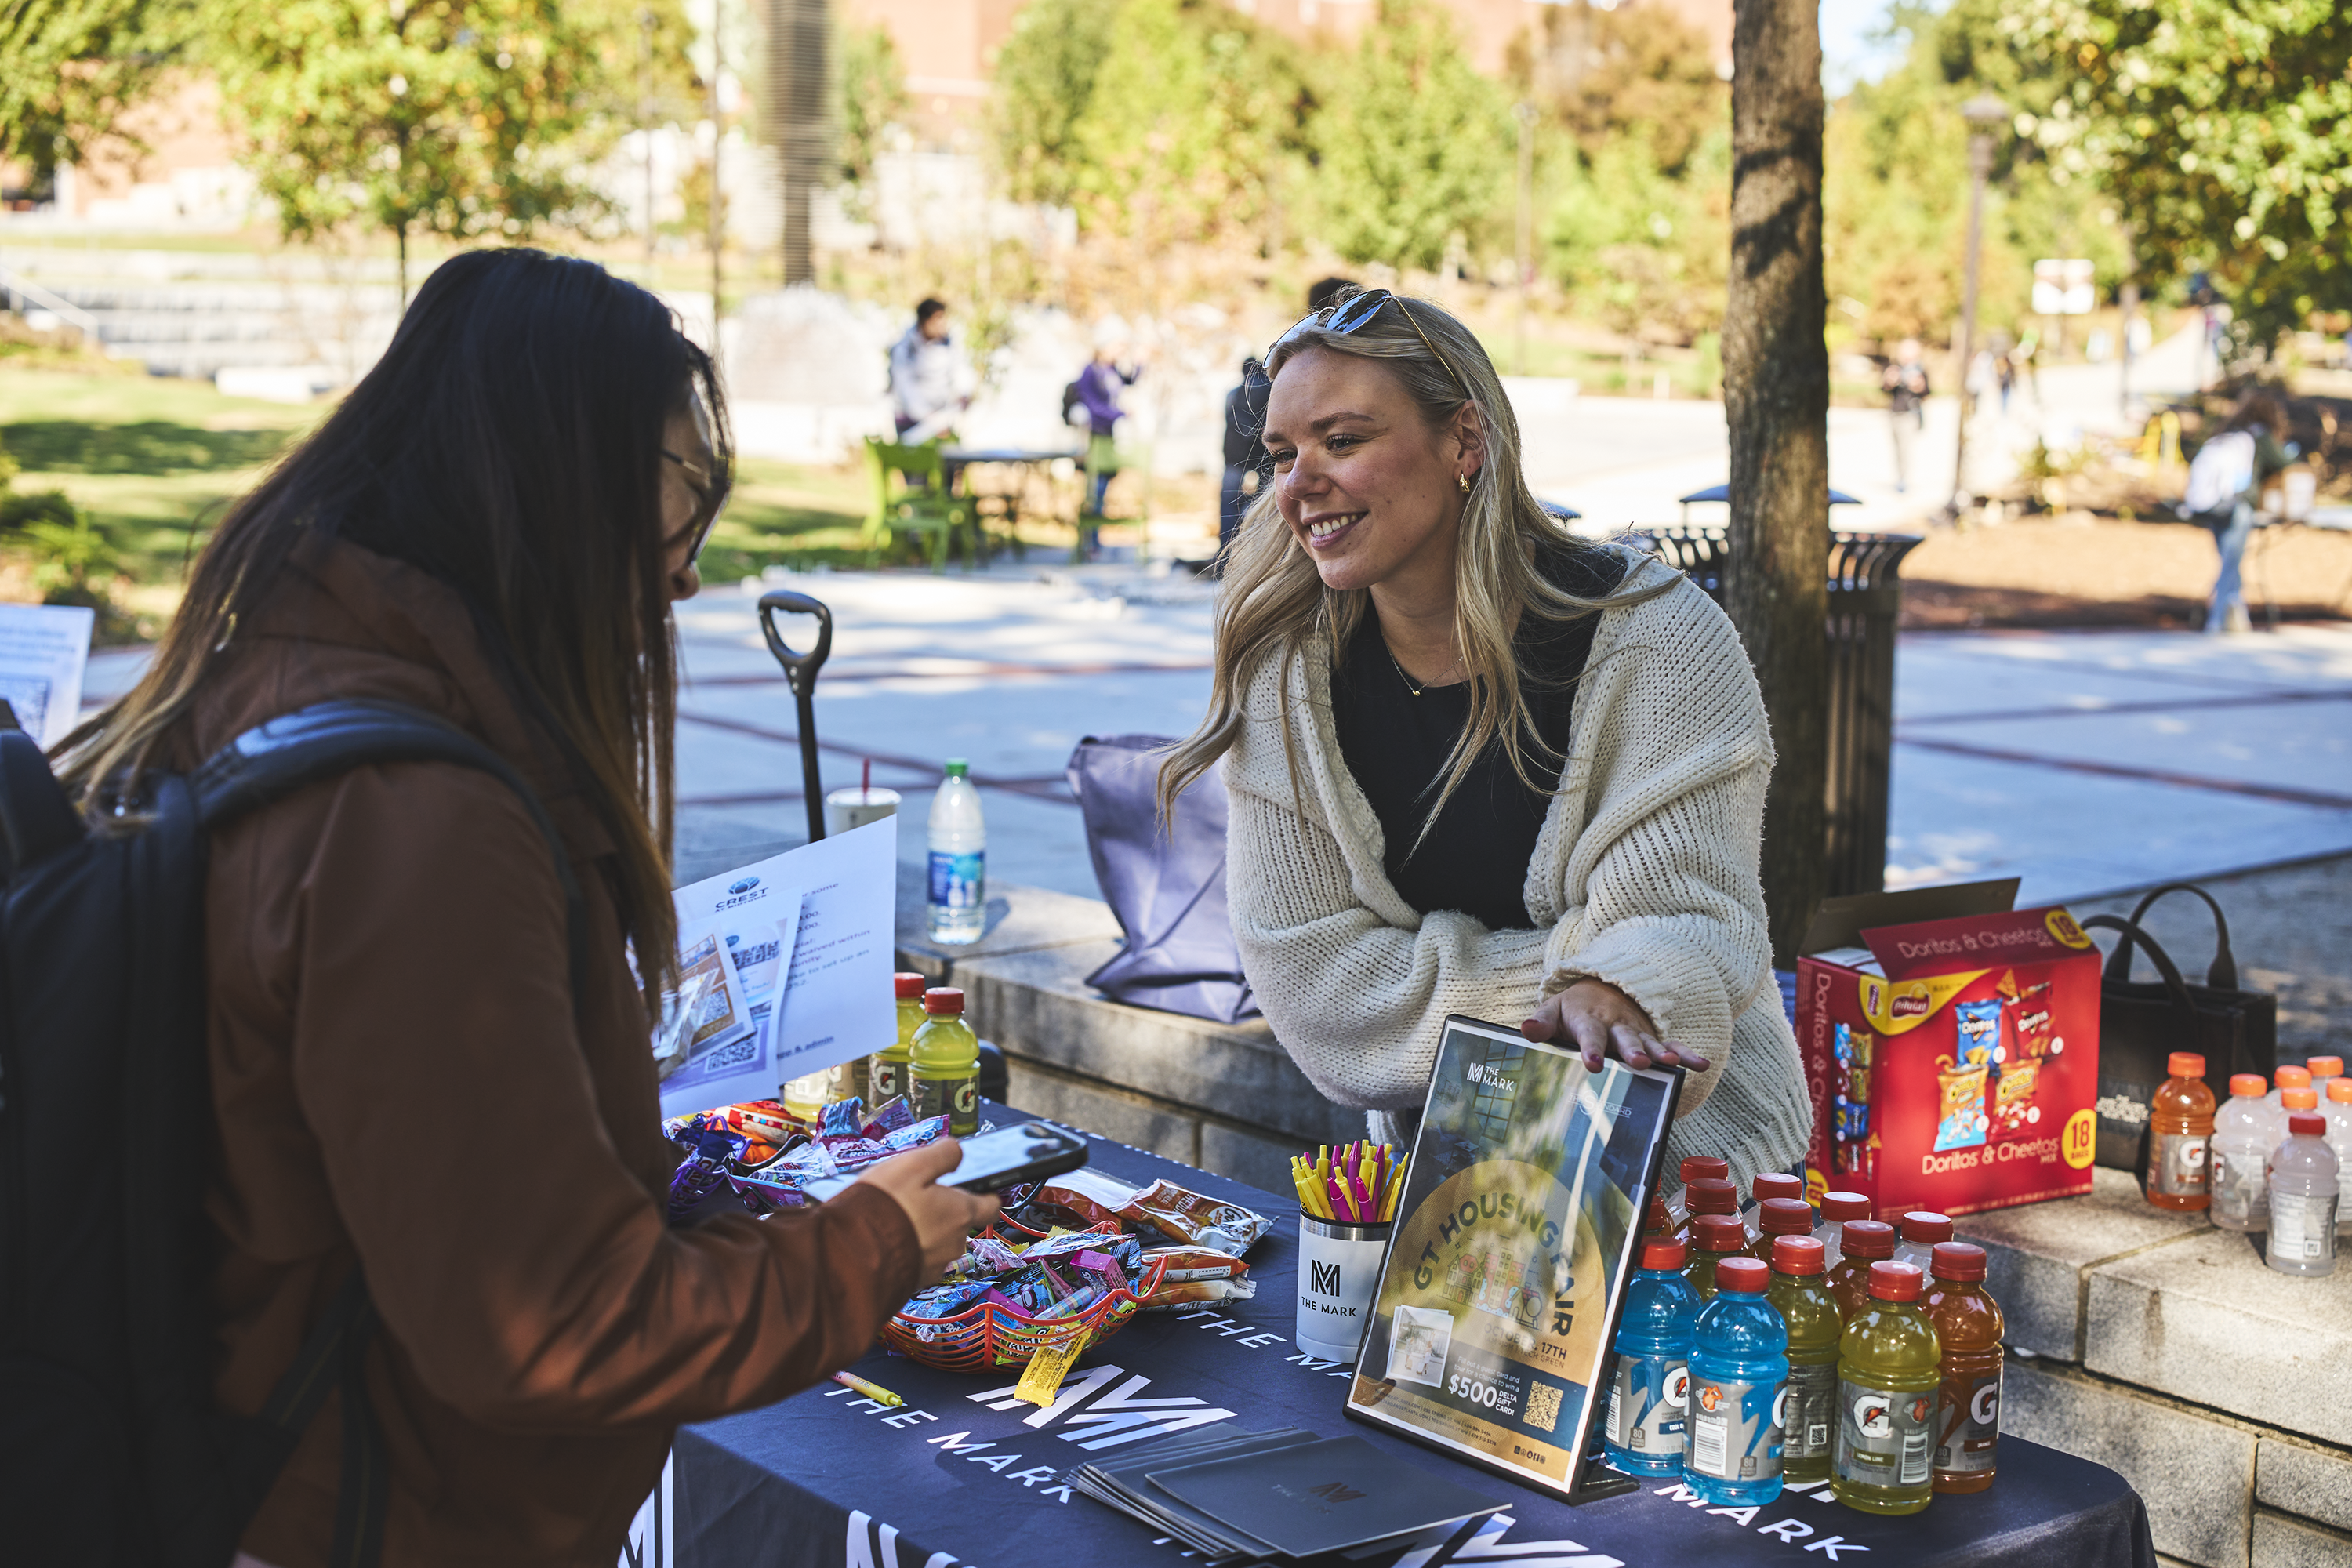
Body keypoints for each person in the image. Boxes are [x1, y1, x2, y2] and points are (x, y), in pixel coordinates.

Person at [56, 249, 996, 1566]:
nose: (683, 578)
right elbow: (545, 1326)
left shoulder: (266, 681)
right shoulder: (413, 822)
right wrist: (870, 1247)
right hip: (349, 1515)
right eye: (679, 498)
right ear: (555, 490)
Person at [1156, 287, 1810, 1194]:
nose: (1299, 484)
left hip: (1698, 1194)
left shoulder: (1659, 638)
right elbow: (1317, 992)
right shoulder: (1284, 672)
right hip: (1452, 1193)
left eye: (1342, 442)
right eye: (1281, 453)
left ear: (1465, 439)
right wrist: (1575, 976)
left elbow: (1690, 930)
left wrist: (1622, 980)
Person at [2181, 394, 2293, 635]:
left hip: (2210, 504)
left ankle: (2236, 615)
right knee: (2231, 563)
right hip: (2237, 507)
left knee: (2228, 561)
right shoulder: (2260, 436)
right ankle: (2218, 618)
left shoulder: (2229, 433)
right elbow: (2284, 462)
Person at [1075, 336, 1143, 550]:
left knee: (1103, 487)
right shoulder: (1091, 371)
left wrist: (1141, 362)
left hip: (1110, 434)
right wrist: (1118, 414)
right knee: (1094, 488)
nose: (1119, 352)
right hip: (1095, 434)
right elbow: (1091, 404)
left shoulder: (1112, 370)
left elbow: (1129, 380)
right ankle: (1090, 541)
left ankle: (1095, 539)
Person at [887, 296, 972, 445]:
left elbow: (961, 371)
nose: (943, 324)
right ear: (924, 321)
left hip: (942, 420)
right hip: (911, 422)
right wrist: (929, 418)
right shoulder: (905, 349)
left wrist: (964, 394)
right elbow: (905, 389)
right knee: (917, 466)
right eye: (938, 319)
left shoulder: (950, 345)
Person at [1219, 355, 1272, 562]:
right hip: (1263, 457)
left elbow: (1227, 420)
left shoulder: (1233, 393)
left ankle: (1225, 558)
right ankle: (1262, 558)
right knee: (1266, 507)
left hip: (1234, 457)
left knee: (1228, 507)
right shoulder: (1271, 391)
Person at [1881, 339, 1929, 494]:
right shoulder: (1895, 369)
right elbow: (1883, 389)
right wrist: (1890, 381)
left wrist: (1918, 386)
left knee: (1905, 448)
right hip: (1895, 412)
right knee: (1896, 447)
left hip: (1910, 414)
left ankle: (1903, 479)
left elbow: (1927, 392)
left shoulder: (1920, 371)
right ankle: (1899, 475)